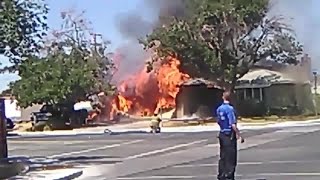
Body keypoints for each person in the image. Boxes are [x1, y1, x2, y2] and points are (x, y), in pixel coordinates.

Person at [216, 91, 244, 180]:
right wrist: (239, 135)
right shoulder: (230, 109)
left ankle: (221, 174)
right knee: (231, 157)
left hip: (222, 133)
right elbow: (232, 124)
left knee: (223, 156)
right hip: (229, 134)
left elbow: (218, 121)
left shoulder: (219, 109)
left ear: (223, 97)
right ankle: (229, 176)